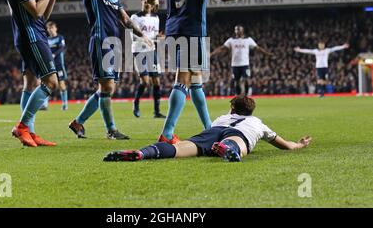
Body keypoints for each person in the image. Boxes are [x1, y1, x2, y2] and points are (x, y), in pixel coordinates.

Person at [145, 0, 277, 144]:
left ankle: (209, 129)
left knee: (196, 81)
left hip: (173, 28)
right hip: (191, 29)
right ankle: (167, 134)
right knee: (183, 80)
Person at [68, 0, 153, 140]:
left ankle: (78, 122)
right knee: (106, 86)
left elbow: (126, 20)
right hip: (101, 40)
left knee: (108, 88)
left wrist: (142, 35)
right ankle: (111, 130)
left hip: (114, 43)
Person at [103, 95, 312, 162]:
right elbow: (284, 145)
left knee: (180, 148)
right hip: (237, 135)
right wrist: (299, 145)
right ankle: (227, 148)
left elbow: (215, 129)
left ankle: (142, 153)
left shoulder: (222, 117)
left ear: (232, 108)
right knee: (238, 144)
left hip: (211, 132)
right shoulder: (257, 123)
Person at [5, 0, 63, 147]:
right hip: (32, 38)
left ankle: (30, 131)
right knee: (51, 83)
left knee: (31, 83)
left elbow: (43, 16)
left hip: (34, 33)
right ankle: (22, 127)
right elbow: (36, 11)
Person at [131, 0, 166, 119]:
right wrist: (144, 38)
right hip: (139, 50)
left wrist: (159, 37)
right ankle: (136, 103)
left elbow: (154, 35)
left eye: (148, 1)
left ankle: (157, 111)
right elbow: (133, 36)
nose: (146, 4)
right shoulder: (135, 17)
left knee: (156, 81)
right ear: (141, 2)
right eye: (144, 1)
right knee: (145, 82)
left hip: (151, 50)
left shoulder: (155, 18)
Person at [211, 25, 273, 95]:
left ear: (242, 31)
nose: (237, 31)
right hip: (235, 65)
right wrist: (212, 54)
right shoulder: (231, 40)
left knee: (246, 79)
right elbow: (222, 48)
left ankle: (246, 95)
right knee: (236, 81)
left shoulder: (248, 40)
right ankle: (238, 95)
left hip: (245, 64)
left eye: (238, 29)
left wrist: (267, 53)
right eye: (236, 30)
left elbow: (257, 48)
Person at [46, 21, 69, 111]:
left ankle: (65, 104)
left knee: (61, 85)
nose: (50, 30)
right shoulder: (47, 39)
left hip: (59, 64)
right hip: (49, 64)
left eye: (52, 28)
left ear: (55, 28)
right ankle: (45, 104)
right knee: (47, 84)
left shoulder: (60, 37)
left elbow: (62, 47)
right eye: (48, 28)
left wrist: (54, 54)